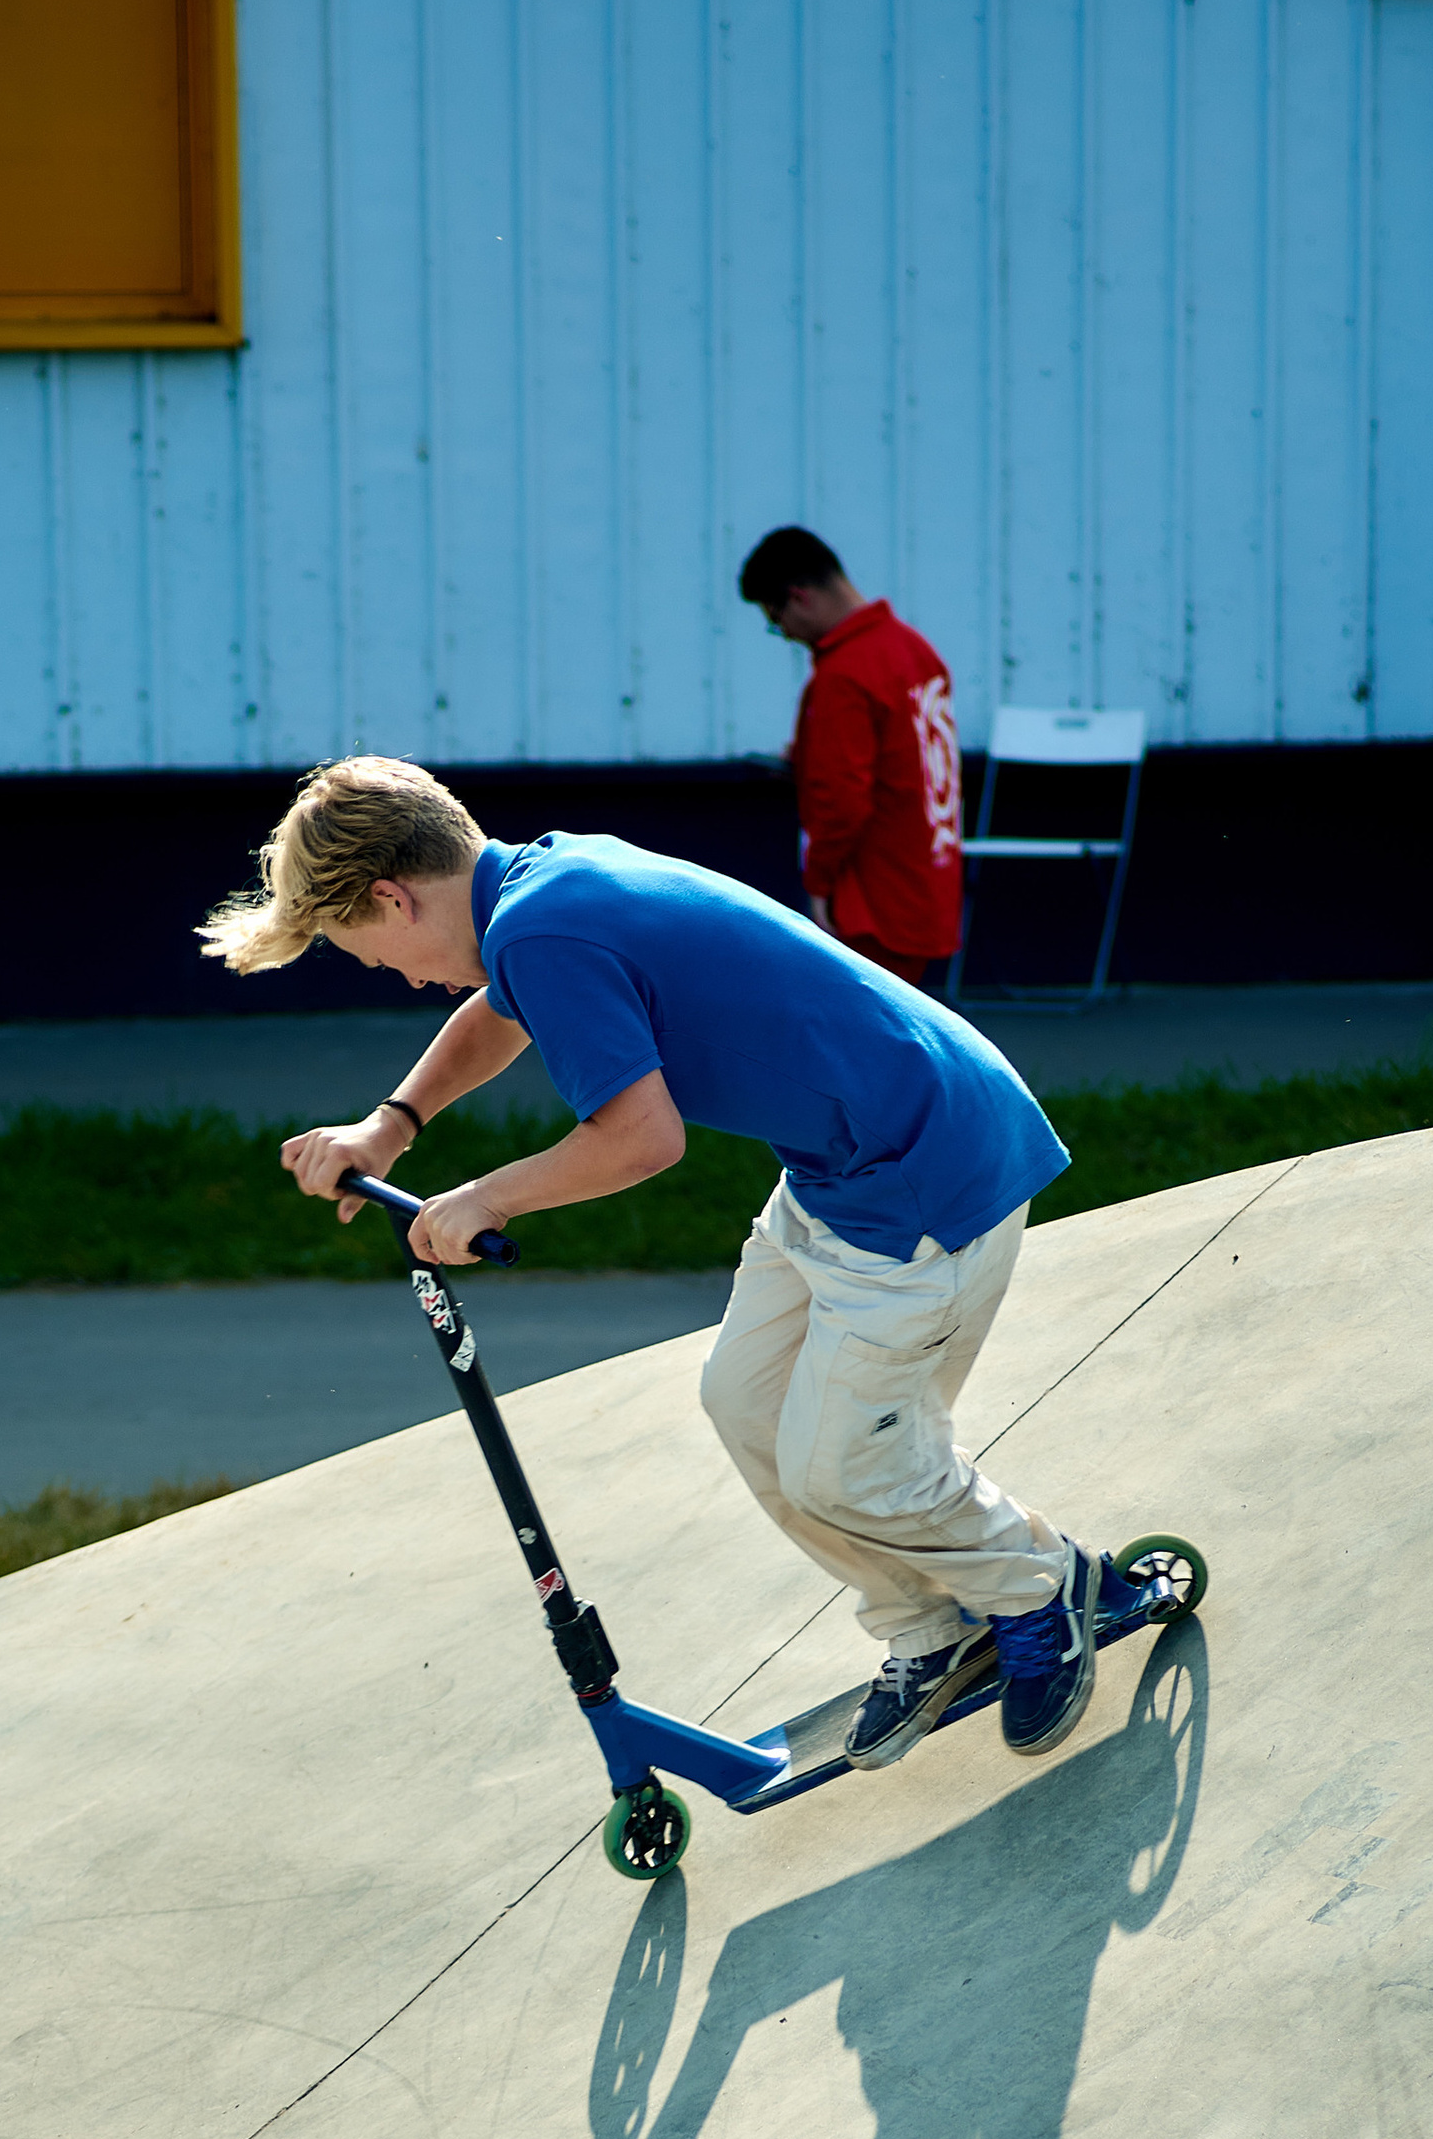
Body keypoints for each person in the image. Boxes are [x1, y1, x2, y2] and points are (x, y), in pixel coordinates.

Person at [204, 755, 1116, 1769]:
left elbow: (641, 1139)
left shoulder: (539, 930)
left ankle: (1040, 1585)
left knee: (844, 1464)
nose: (402, 980)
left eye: (376, 956)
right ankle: (928, 1623)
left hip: (922, 1181)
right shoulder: (539, 886)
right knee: (745, 1404)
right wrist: (392, 1125)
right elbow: (497, 1011)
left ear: (392, 897)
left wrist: (488, 1197)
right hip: (843, 1168)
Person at [735, 527, 964, 989]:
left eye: (776, 620)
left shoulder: (844, 673)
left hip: (872, 900)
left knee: (858, 1045)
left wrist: (819, 885)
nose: (785, 636)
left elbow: (843, 800)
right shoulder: (913, 649)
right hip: (925, 881)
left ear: (799, 597)